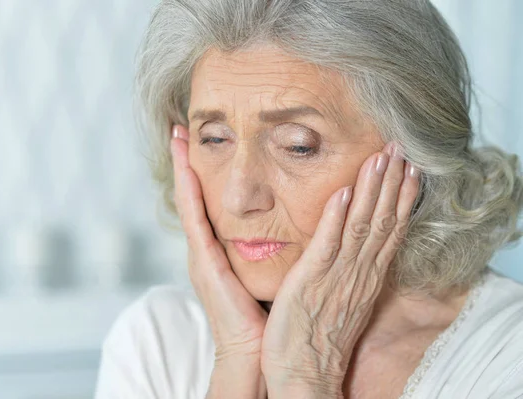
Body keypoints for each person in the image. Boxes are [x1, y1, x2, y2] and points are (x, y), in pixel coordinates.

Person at [94, 0, 523, 397]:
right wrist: (236, 361)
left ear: (412, 153)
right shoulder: (157, 341)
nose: (239, 197)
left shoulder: (507, 357)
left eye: (298, 145)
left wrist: (305, 376)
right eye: (214, 139)